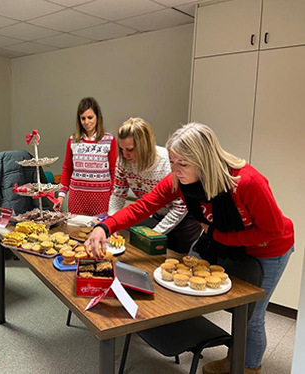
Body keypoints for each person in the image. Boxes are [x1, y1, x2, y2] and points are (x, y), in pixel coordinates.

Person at [85, 123, 294, 374]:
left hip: (269, 249)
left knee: (251, 315)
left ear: (203, 161)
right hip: (220, 240)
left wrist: (219, 235)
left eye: (182, 164)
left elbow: (272, 230)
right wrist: (105, 227)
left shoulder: (248, 183)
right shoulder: (180, 180)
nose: (175, 170)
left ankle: (247, 366)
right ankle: (227, 352)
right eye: (173, 162)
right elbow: (143, 206)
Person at [108, 117, 201, 256]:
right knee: (151, 257)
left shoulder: (168, 163)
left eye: (130, 149)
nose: (125, 155)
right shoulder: (123, 161)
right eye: (121, 149)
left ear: (144, 146)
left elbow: (180, 207)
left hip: (184, 220)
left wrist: (153, 234)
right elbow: (118, 194)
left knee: (173, 260)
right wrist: (112, 223)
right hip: (158, 213)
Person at [53, 97, 117, 216]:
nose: (86, 122)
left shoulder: (109, 140)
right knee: (74, 231)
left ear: (98, 117)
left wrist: (114, 197)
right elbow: (67, 169)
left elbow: (114, 170)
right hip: (77, 198)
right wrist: (61, 196)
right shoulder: (73, 141)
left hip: (101, 198)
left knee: (98, 231)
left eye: (90, 117)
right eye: (83, 118)